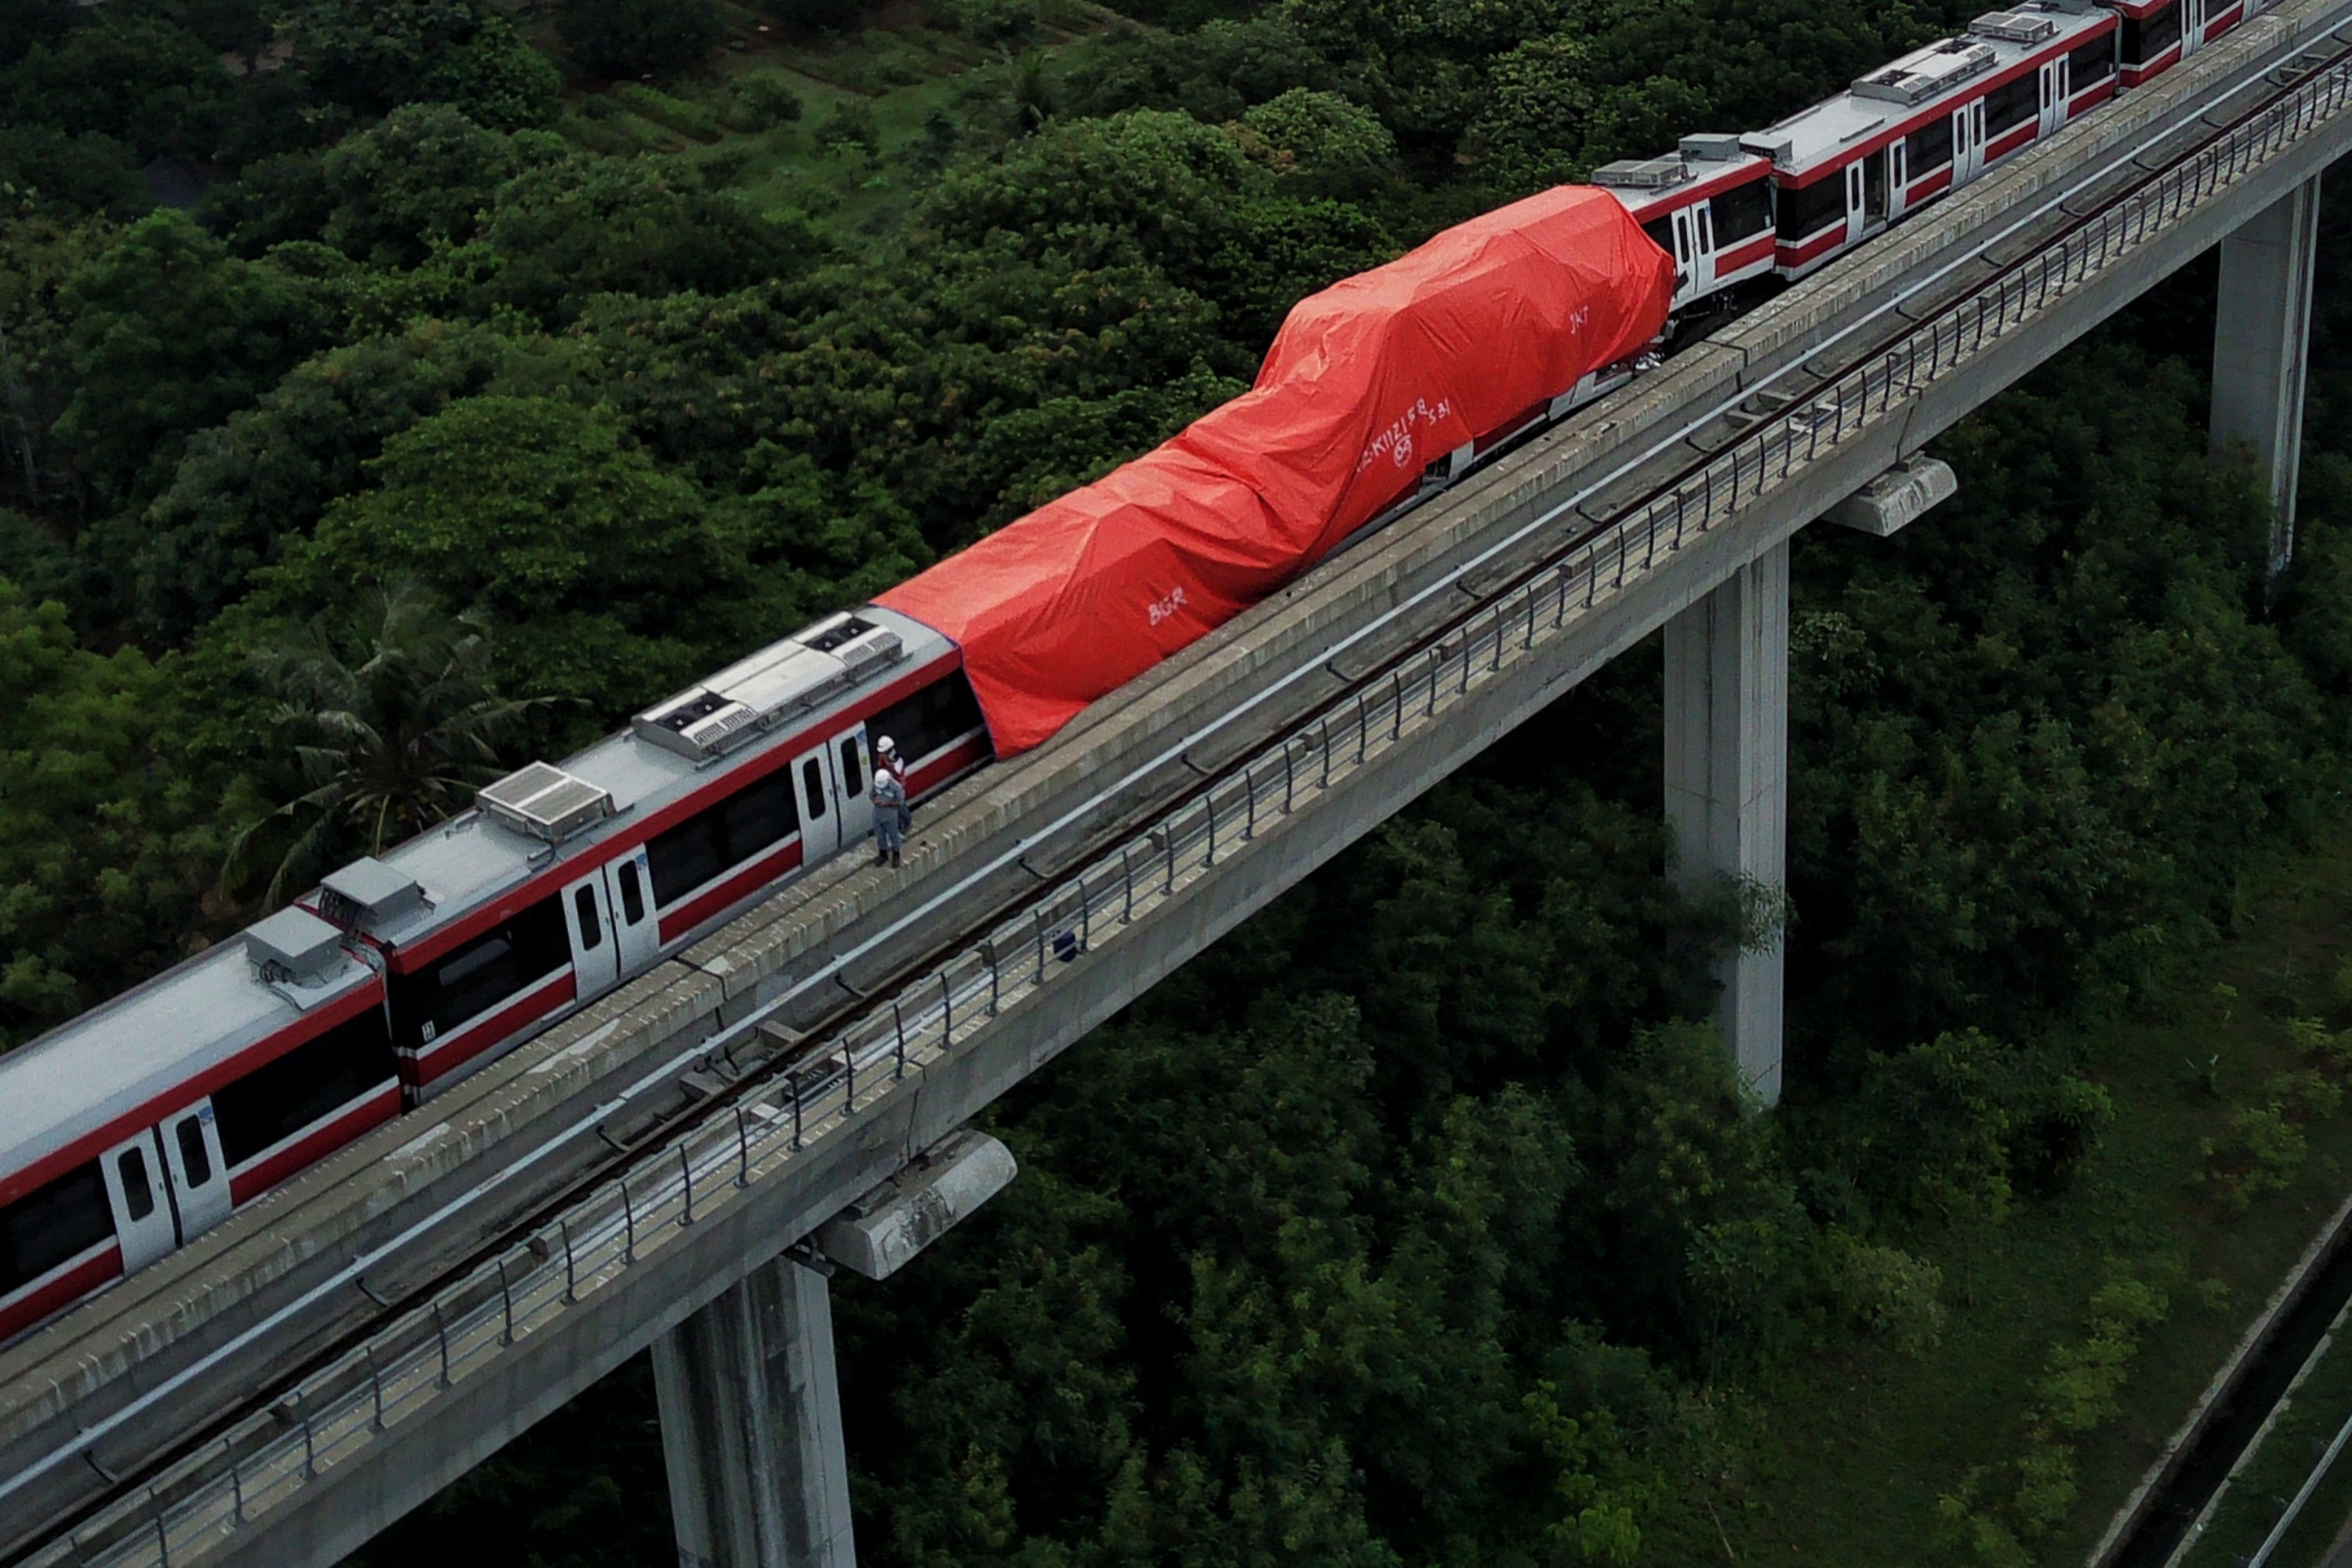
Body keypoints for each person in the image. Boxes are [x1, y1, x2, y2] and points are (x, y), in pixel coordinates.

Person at [870, 759, 907, 868]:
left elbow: (900, 802)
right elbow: (871, 794)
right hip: (877, 815)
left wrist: (886, 803)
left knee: (893, 836)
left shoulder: (896, 787)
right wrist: (875, 801)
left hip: (890, 816)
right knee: (880, 836)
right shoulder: (876, 783)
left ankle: (896, 855)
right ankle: (883, 855)